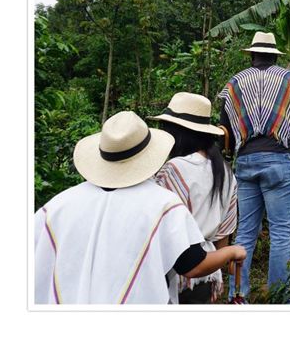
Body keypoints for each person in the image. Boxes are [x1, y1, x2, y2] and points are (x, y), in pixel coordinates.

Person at [33, 111, 246, 304]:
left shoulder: (56, 207)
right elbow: (192, 263)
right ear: (147, 153)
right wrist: (230, 253)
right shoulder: (162, 205)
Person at [217, 31, 290, 302]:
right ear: (274, 54)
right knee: (282, 234)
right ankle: (280, 300)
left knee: (245, 233)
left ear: (252, 54)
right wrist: (288, 142)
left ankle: (237, 296)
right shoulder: (289, 80)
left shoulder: (236, 82)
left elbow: (226, 124)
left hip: (246, 160)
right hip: (279, 159)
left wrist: (239, 145)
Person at [151, 92, 238, 304]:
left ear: (178, 133)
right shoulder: (225, 172)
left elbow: (158, 227)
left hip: (178, 273)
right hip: (207, 273)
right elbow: (223, 236)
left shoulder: (173, 170)